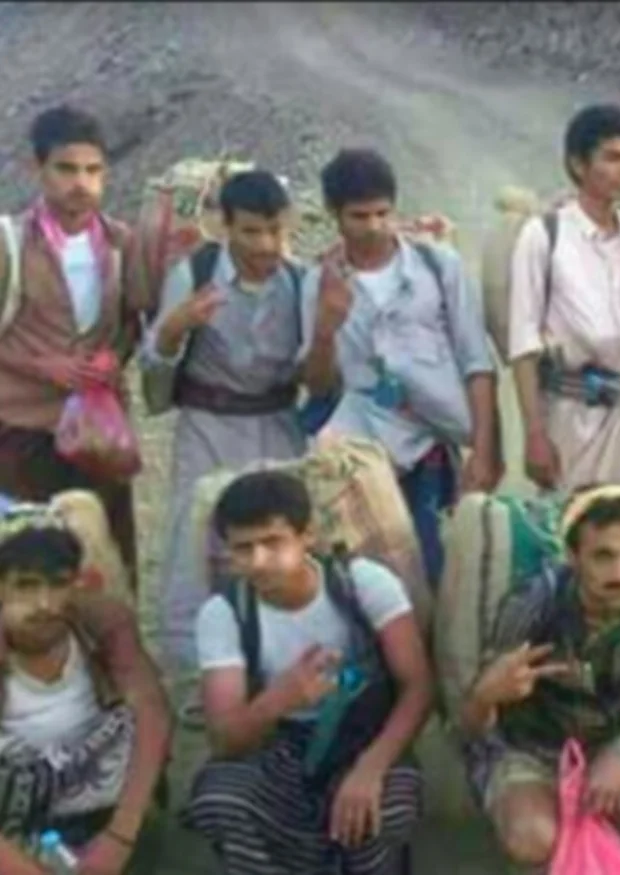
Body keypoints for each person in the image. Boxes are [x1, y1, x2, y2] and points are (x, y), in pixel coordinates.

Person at [182, 471, 432, 875]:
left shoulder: (362, 583)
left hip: (364, 735)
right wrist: (280, 700)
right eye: (243, 548)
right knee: (219, 801)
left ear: (307, 536)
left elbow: (418, 687)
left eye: (272, 542)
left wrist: (370, 768)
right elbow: (224, 738)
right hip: (278, 745)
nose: (259, 561)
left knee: (386, 808)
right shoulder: (224, 613)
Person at [460, 484, 620, 868]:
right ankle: (570, 803)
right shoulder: (533, 604)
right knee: (532, 840)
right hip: (531, 748)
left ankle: (600, 799)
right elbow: (473, 725)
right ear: (573, 556)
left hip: (605, 738)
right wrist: (487, 696)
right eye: (604, 557)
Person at [301, 148, 502, 588]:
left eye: (382, 213)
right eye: (358, 216)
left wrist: (485, 452)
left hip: (430, 446)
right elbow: (318, 386)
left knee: (438, 571)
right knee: (363, 578)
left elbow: (476, 361)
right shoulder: (319, 282)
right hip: (361, 456)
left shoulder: (437, 265)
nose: (373, 227)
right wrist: (324, 329)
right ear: (333, 213)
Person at [144, 169, 311, 677]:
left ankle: (277, 661)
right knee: (195, 541)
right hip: (207, 424)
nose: (266, 245)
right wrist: (175, 329)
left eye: (277, 231)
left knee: (278, 541)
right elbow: (154, 362)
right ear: (226, 227)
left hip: (278, 424)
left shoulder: (301, 281)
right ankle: (196, 674)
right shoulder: (195, 274)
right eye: (252, 232)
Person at [507, 105, 620, 515]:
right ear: (578, 164)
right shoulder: (544, 236)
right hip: (575, 421)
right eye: (611, 158)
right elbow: (523, 346)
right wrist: (535, 435)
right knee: (578, 534)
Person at [0, 106, 146, 579]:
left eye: (92, 170)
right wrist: (40, 365)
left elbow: (132, 325)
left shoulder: (124, 244)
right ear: (37, 169)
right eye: (66, 169)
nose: (80, 183)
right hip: (25, 433)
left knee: (108, 561)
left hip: (101, 439)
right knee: (26, 566)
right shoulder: (9, 243)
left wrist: (115, 356)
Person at [0, 511, 172, 875]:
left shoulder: (100, 623)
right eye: (26, 585)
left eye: (57, 584)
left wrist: (119, 839)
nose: (44, 604)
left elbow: (151, 714)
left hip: (95, 801)